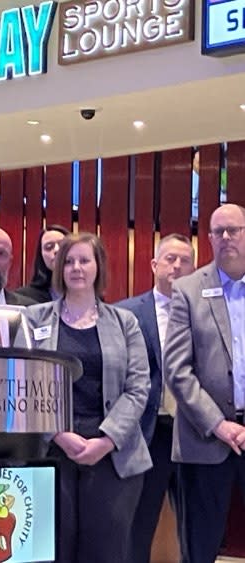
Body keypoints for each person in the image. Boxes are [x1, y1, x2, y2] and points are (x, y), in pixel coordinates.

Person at [25, 233, 151, 563]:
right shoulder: (34, 319)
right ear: (58, 268)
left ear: (99, 267)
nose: (76, 267)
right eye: (68, 261)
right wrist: (58, 435)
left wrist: (106, 440)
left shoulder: (125, 322)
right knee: (52, 548)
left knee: (106, 551)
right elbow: (24, 385)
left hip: (113, 453)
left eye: (84, 260)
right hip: (53, 447)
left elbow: (138, 388)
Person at [164, 203, 245, 563]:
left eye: (234, 230)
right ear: (209, 237)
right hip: (204, 439)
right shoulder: (188, 289)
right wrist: (218, 424)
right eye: (219, 231)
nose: (226, 237)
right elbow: (177, 370)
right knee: (200, 547)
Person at [115, 234, 196, 563]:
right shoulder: (126, 314)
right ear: (154, 265)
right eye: (170, 259)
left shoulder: (203, 312)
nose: (177, 266)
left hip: (194, 431)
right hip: (150, 432)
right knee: (140, 522)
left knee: (197, 521)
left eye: (185, 260)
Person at [16, 224, 70, 303]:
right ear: (41, 256)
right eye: (49, 247)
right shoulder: (23, 297)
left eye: (62, 245)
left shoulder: (91, 294)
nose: (56, 250)